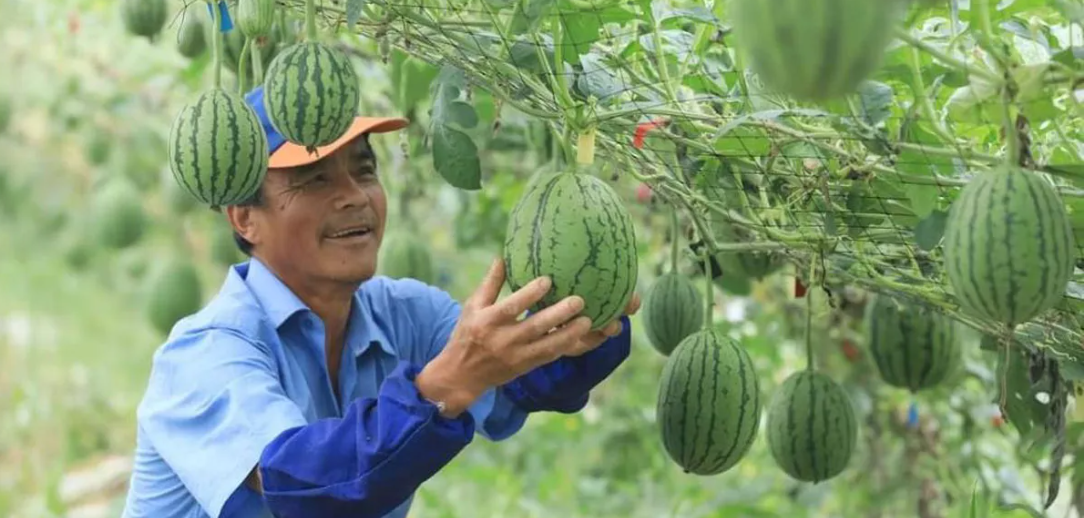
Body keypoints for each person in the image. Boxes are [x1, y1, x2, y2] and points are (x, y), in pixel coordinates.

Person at [120, 84, 641, 518]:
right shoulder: (204, 354)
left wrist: (581, 331)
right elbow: (302, 484)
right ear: (244, 218)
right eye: (315, 178)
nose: (354, 195)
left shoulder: (405, 316)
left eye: (364, 171)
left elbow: (524, 381)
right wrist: (445, 385)